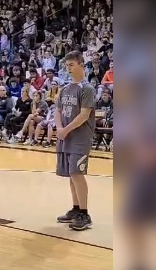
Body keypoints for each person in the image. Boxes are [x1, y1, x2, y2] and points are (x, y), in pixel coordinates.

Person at [55, 51, 97, 231]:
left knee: (77, 174)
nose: (68, 69)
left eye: (71, 65)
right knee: (71, 175)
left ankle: (85, 214)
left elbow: (84, 114)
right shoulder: (64, 89)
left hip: (80, 139)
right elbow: (57, 110)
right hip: (65, 137)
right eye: (67, 66)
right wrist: (59, 129)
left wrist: (65, 129)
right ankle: (76, 208)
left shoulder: (87, 88)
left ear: (81, 64)